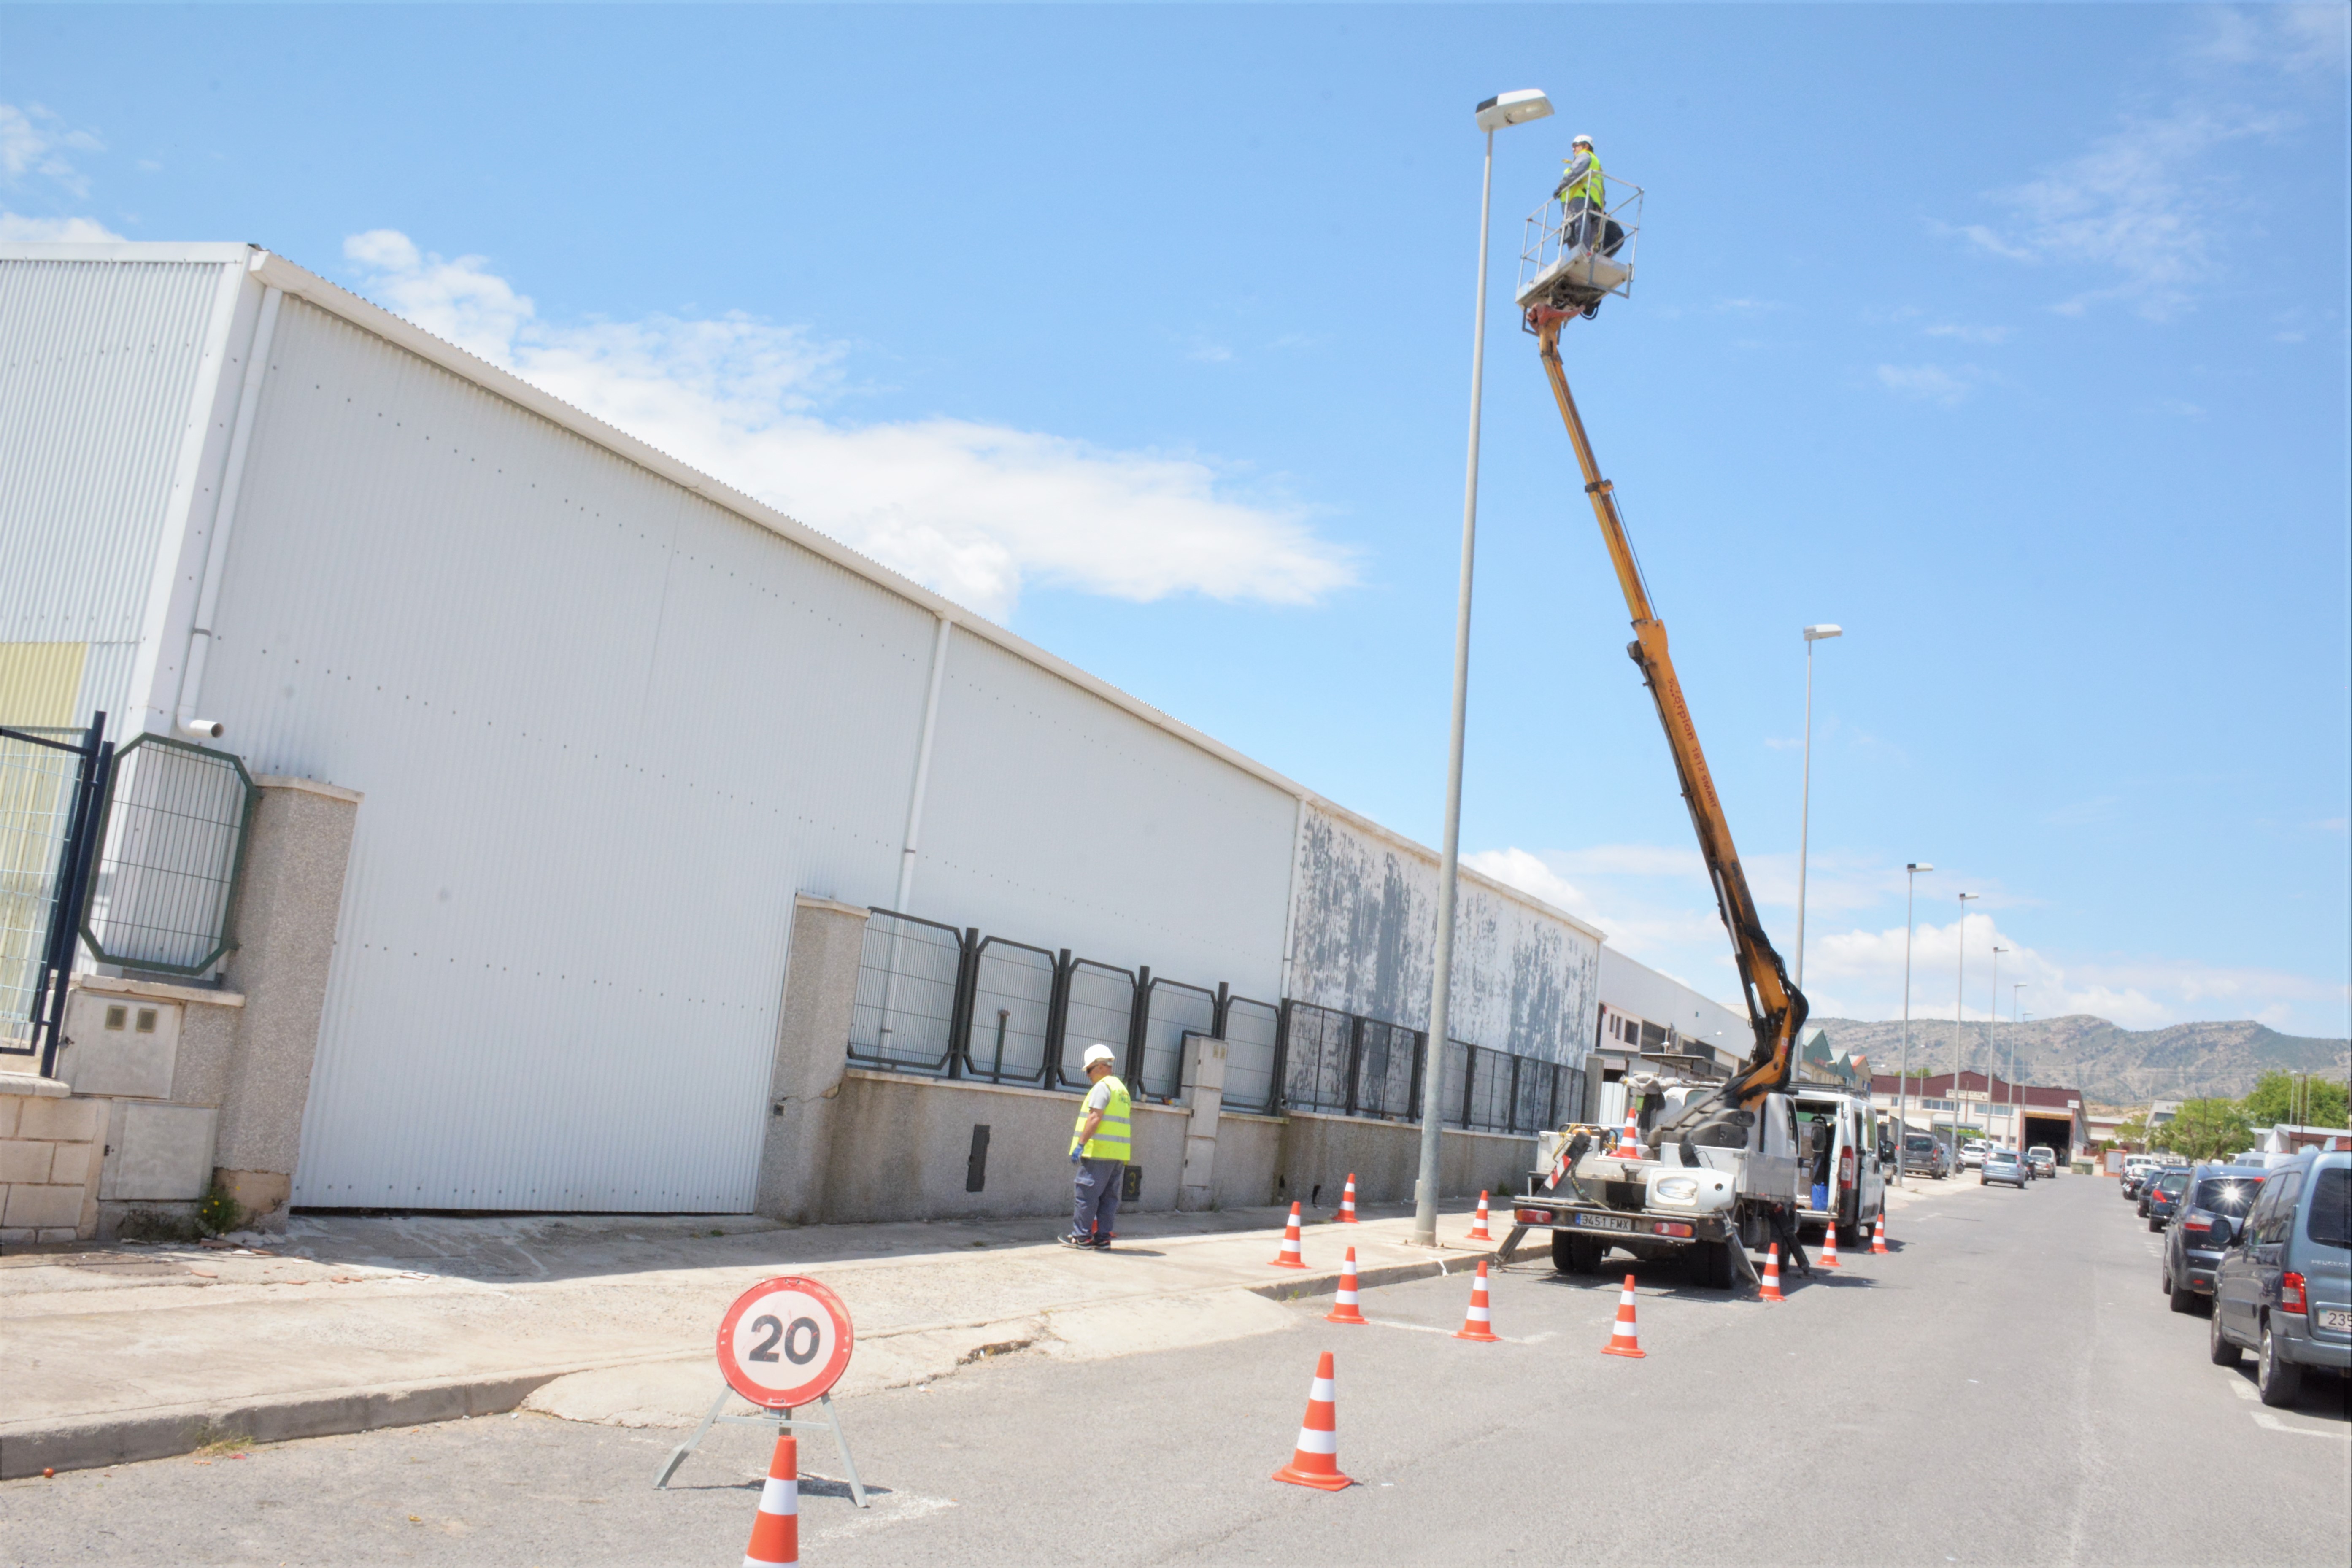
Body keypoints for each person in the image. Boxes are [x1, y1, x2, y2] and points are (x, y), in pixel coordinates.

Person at [1064, 1043, 1132, 1250]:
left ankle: (1081, 1237)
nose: (1088, 1076)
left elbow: (1095, 1117)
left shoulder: (1102, 1087)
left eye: (1089, 1070)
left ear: (1101, 1066)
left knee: (1086, 1195)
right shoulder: (1121, 1089)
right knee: (1109, 1199)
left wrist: (1081, 1144)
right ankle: (1103, 1238)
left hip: (1098, 1153)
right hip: (1118, 1155)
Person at [1553, 135, 1605, 252]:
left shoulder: (1585, 156)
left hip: (1580, 199)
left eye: (1576, 146)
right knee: (1584, 233)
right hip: (1593, 203)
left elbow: (1575, 172)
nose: (1573, 149)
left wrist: (1561, 186)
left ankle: (1581, 254)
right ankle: (1584, 253)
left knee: (1578, 229)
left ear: (1586, 146)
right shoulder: (1596, 164)